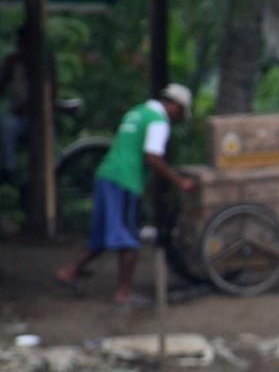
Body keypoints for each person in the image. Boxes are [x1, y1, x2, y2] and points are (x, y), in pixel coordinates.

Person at [53, 83, 195, 305]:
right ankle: (123, 293)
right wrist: (179, 181)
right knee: (129, 239)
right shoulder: (158, 122)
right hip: (124, 181)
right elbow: (152, 157)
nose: (178, 117)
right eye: (180, 112)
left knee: (101, 235)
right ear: (174, 105)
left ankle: (70, 272)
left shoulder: (137, 112)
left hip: (106, 174)